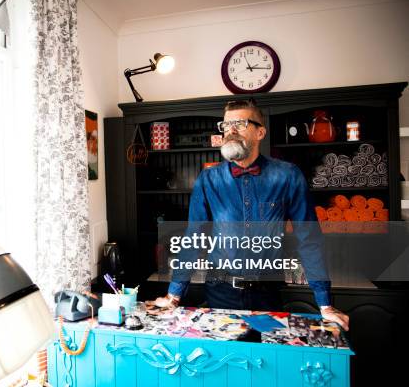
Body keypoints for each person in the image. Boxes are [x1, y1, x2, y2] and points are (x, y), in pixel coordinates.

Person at [149, 99, 349, 331]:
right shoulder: (208, 180)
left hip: (267, 291)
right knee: (225, 362)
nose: (230, 131)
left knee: (266, 362)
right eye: (226, 125)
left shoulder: (288, 176)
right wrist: (174, 295)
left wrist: (325, 304)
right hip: (220, 290)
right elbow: (194, 238)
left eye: (240, 123)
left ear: (260, 132)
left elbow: (309, 239)